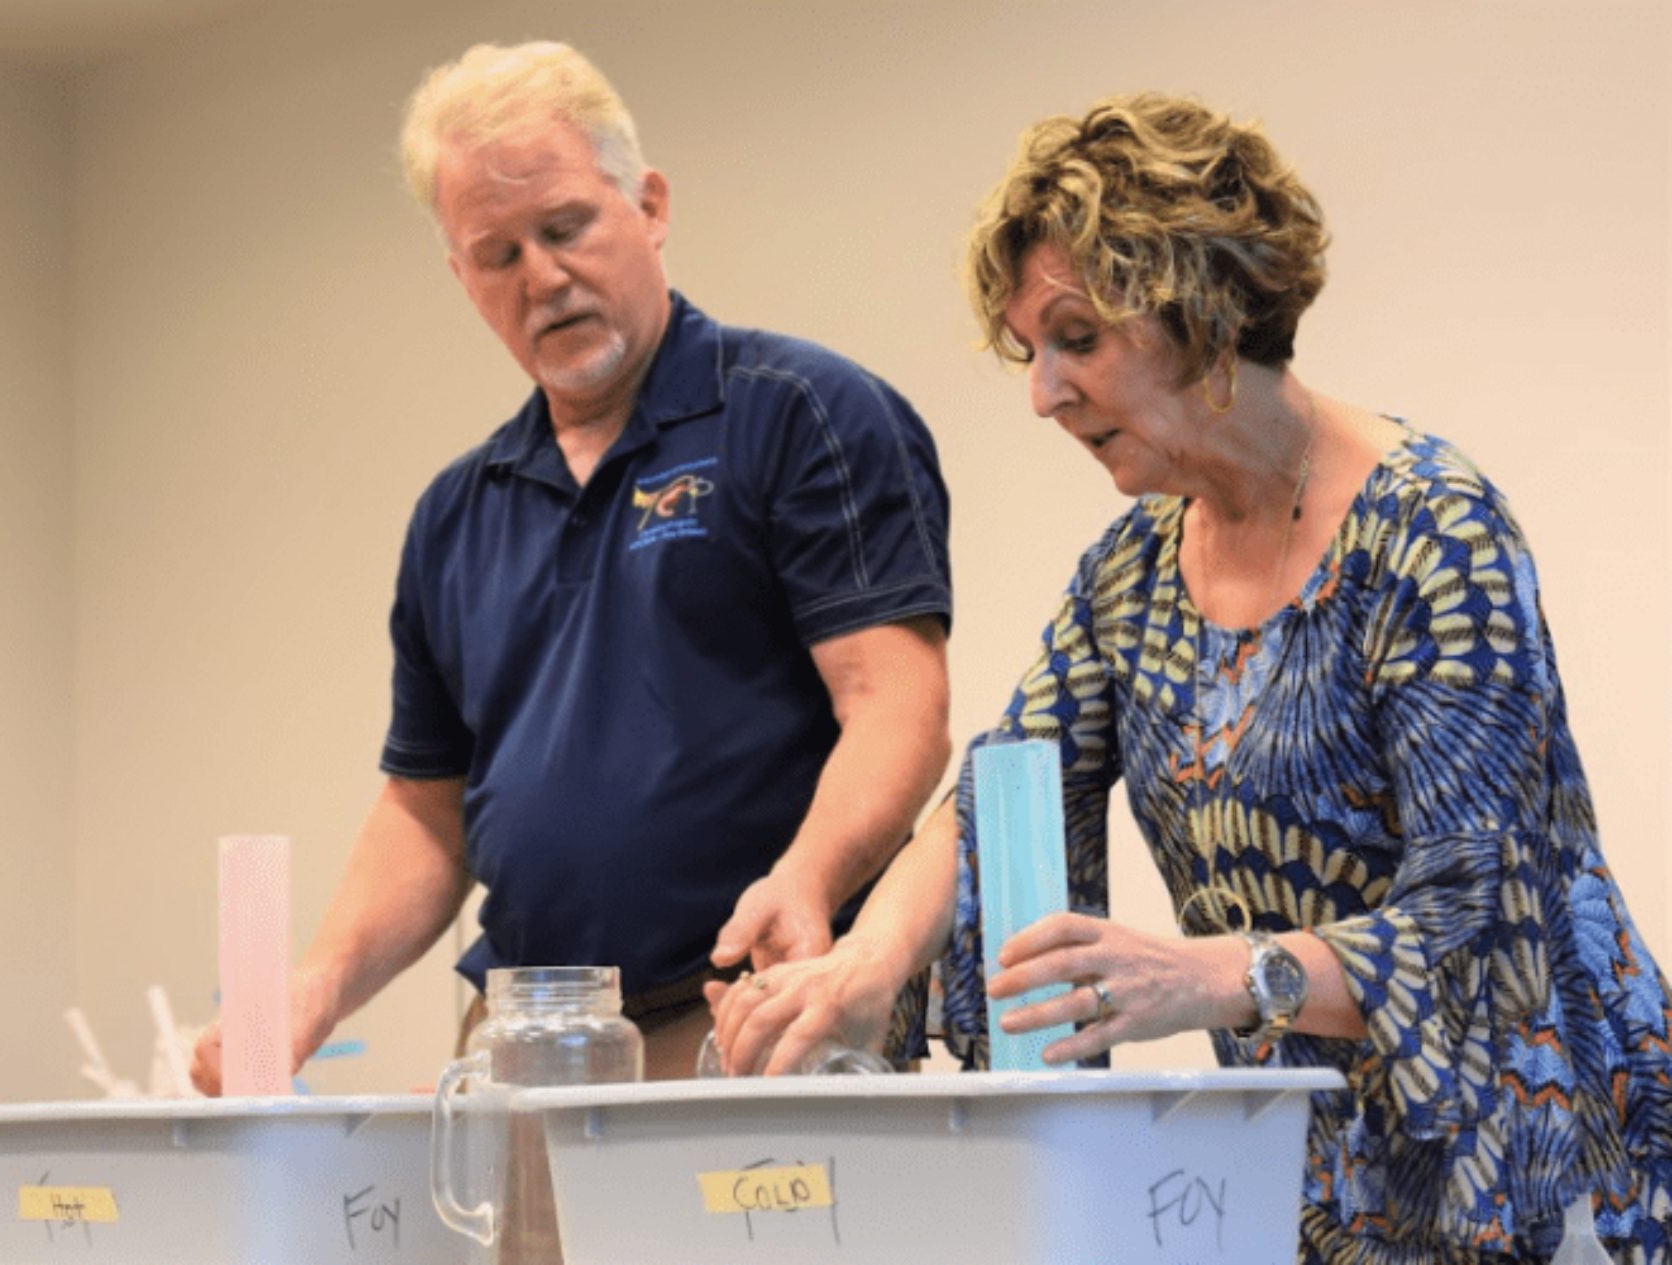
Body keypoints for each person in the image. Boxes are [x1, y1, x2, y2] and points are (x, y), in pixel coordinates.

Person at [707, 93, 1671, 1263]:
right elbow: (999, 787)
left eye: (1078, 338)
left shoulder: (1431, 532)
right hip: (1314, 1174)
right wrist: (863, 967)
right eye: (1031, 351)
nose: (1043, 392)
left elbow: (1470, 930)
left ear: (1200, 307)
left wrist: (1208, 973)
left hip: (1548, 1168)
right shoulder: (1136, 572)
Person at [191, 40, 952, 1090]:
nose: (542, 278)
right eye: (499, 255)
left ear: (648, 205)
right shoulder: (457, 515)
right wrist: (317, 984)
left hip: (758, 1013)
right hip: (529, 1039)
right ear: (462, 279)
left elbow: (897, 704)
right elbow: (426, 809)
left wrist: (807, 879)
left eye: (566, 228)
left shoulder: (801, 413)